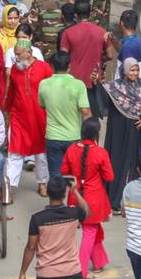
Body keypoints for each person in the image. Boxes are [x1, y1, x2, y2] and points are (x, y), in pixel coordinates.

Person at [61, 118, 113, 279]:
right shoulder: (100, 152)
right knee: (90, 232)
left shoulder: (71, 149)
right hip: (94, 199)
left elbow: (64, 171)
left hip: (75, 197)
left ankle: (99, 262)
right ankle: (81, 270)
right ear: (97, 134)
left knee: (91, 229)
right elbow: (109, 176)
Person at [7, 40, 53, 198]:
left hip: (40, 116)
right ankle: (10, 188)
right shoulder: (15, 69)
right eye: (15, 55)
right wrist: (7, 111)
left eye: (19, 54)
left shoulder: (44, 68)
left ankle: (42, 183)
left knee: (41, 153)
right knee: (15, 151)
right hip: (19, 117)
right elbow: (11, 92)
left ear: (29, 52)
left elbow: (51, 92)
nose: (16, 58)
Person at [38, 50, 92, 181]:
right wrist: (89, 136)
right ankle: (73, 201)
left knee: (55, 176)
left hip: (52, 136)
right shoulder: (78, 85)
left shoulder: (43, 84)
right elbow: (85, 112)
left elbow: (42, 105)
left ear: (51, 67)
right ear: (69, 66)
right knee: (76, 176)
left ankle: (56, 200)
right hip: (74, 137)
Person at [101, 57, 141, 211]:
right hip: (118, 129)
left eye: (137, 69)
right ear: (124, 71)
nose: (135, 73)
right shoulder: (114, 87)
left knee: (131, 163)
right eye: (131, 70)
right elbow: (103, 100)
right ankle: (113, 199)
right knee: (117, 161)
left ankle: (128, 200)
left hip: (135, 129)